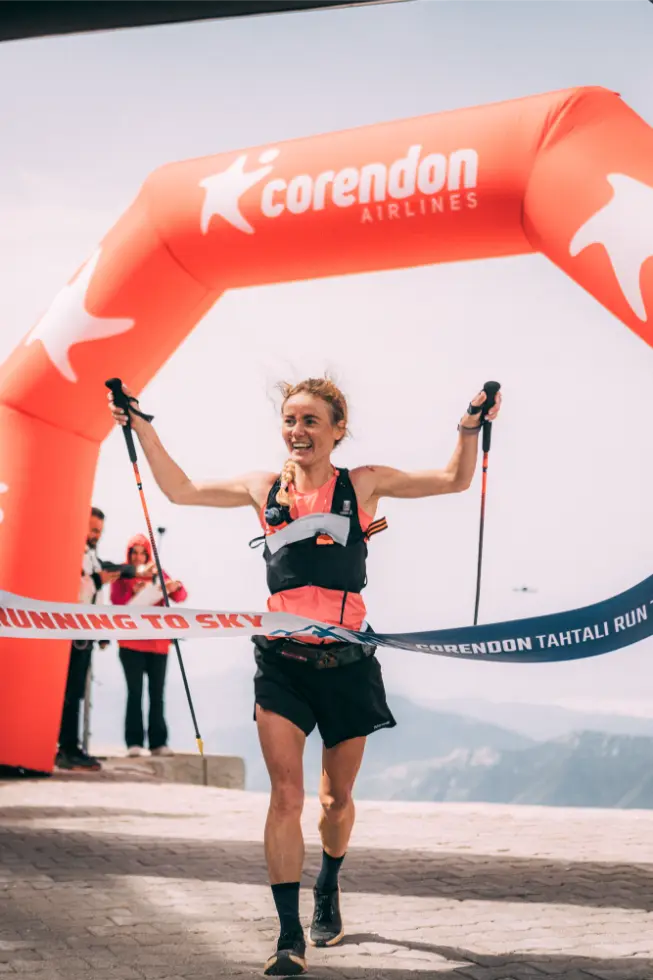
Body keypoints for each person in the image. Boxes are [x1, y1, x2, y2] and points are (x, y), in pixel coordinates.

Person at [108, 376, 501, 976]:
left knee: (334, 801)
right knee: (286, 796)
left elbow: (453, 480)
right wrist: (141, 425)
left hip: (347, 664)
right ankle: (288, 934)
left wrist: (470, 425)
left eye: (312, 421)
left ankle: (328, 884)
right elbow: (180, 490)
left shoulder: (362, 484)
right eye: (291, 420)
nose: (298, 431)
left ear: (337, 429)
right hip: (282, 663)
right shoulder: (262, 488)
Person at [110, 533, 187, 757]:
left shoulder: (158, 573)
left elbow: (181, 596)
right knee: (134, 693)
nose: (138, 557)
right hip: (131, 644)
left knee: (157, 693)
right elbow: (116, 605)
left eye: (142, 552)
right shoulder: (122, 576)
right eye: (134, 552)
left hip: (158, 644)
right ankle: (133, 742)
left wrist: (174, 587)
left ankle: (158, 742)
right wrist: (133, 594)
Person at [56, 506, 120, 771]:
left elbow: (96, 596)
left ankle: (71, 746)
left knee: (77, 694)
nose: (96, 535)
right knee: (69, 693)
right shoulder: (71, 553)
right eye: (93, 530)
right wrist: (96, 579)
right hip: (71, 632)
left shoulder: (91, 555)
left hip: (86, 632)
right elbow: (72, 587)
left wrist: (102, 631)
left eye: (99, 532)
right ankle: (66, 747)